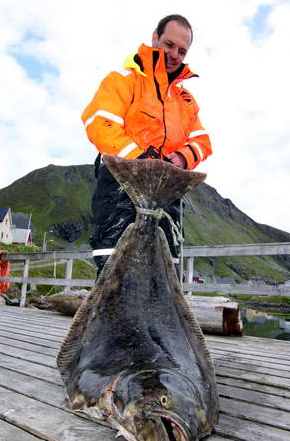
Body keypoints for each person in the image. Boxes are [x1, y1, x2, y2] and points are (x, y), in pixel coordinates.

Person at [82, 14, 212, 276]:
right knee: (113, 257)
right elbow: (99, 122)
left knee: (166, 264)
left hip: (167, 190)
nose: (175, 54)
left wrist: (181, 158)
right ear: (155, 37)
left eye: (182, 50)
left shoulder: (186, 100)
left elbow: (202, 140)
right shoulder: (122, 80)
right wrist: (140, 158)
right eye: (169, 44)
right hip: (121, 183)